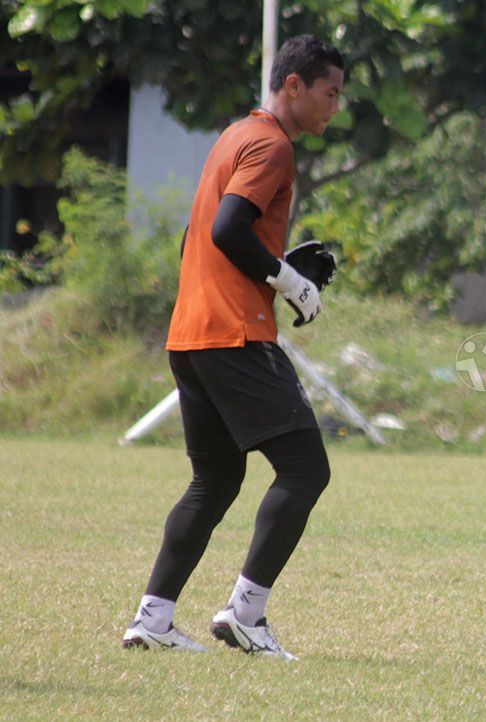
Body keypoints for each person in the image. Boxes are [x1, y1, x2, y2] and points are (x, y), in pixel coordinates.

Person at [121, 34, 344, 660]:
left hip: (189, 333)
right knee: (306, 470)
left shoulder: (234, 135)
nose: (335, 107)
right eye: (330, 93)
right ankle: (245, 614)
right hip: (232, 333)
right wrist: (289, 280)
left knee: (215, 479)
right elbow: (226, 230)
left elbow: (198, 235)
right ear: (293, 86)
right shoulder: (273, 144)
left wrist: (268, 270)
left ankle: (153, 618)